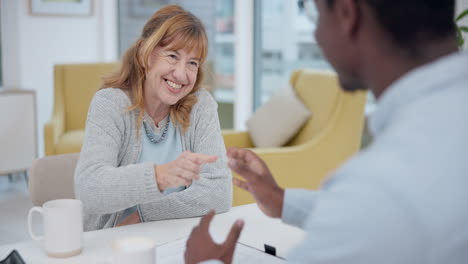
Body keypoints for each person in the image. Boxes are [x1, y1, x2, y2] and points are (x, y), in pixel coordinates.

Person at [184, 0, 468, 263]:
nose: (317, 35)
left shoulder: (381, 184)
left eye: (317, 14)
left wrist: (205, 261)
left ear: (347, 14)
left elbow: (380, 205)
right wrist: (280, 200)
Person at [74, 5, 232, 232]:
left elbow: (218, 193)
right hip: (112, 243)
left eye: (192, 63)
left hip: (174, 237)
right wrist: (159, 177)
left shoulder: (200, 105)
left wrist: (144, 214)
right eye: (172, 56)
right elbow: (90, 189)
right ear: (145, 54)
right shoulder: (110, 103)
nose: (181, 73)